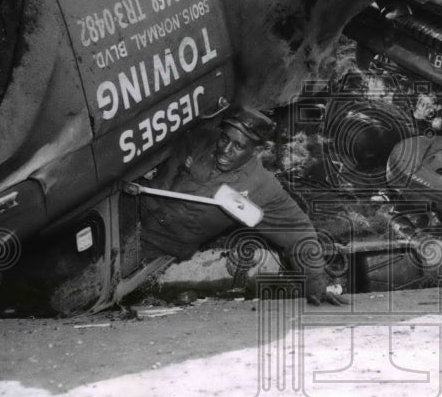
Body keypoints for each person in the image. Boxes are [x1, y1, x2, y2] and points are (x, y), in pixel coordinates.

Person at [135, 107, 345, 308]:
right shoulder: (202, 138)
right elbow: (167, 168)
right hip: (135, 209)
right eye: (225, 139)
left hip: (159, 242)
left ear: (256, 150)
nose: (225, 150)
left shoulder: (261, 185)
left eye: (238, 146)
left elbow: (299, 232)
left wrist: (316, 285)